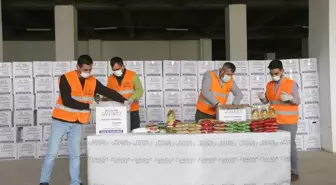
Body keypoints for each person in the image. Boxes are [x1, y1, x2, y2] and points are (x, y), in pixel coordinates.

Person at [39, 55, 129, 185]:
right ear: (78, 67)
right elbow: (67, 101)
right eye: (85, 70)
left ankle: (75, 182)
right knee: (52, 154)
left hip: (77, 123)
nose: (88, 72)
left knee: (75, 155)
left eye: (90, 69)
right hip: (60, 121)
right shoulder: (66, 78)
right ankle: (44, 181)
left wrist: (124, 100)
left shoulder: (92, 81)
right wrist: (89, 106)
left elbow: (107, 91)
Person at [258, 59, 300, 182]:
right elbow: (267, 101)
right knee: (275, 147)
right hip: (273, 121)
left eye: (276, 73)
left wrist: (291, 98)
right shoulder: (269, 85)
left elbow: (297, 101)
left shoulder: (291, 83)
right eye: (272, 73)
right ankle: (278, 169)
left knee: (290, 147)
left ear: (282, 71)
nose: (274, 76)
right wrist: (262, 98)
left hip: (288, 121)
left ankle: (294, 172)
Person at [107, 57, 144, 130]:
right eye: (113, 70)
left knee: (134, 133)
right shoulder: (110, 79)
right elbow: (109, 94)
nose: (116, 71)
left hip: (132, 111)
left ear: (123, 66)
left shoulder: (132, 75)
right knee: (121, 135)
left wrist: (132, 99)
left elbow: (139, 90)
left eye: (117, 69)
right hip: (118, 112)